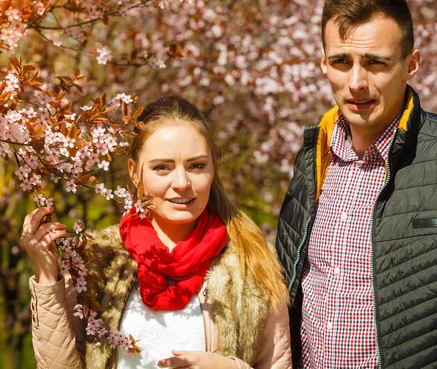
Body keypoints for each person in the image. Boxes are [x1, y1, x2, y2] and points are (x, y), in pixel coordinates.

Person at [275, 0, 437, 369]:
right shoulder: (313, 156)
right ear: (322, 63)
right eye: (341, 62)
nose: (356, 83)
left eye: (375, 63)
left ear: (411, 64)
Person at [22, 96, 292, 369]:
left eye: (196, 165)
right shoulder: (97, 259)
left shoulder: (251, 260)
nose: (182, 183)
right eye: (162, 167)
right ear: (135, 172)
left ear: (213, 168)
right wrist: (47, 279)